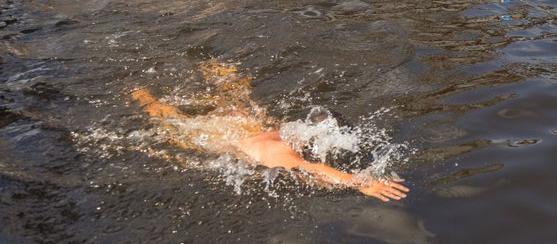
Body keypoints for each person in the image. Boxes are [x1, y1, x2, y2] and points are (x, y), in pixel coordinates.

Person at [130, 61, 408, 202]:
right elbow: (311, 169)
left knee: (243, 105)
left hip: (246, 129)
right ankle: (140, 96)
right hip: (219, 138)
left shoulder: (286, 134)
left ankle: (216, 70)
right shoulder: (284, 151)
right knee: (172, 120)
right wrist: (360, 183)